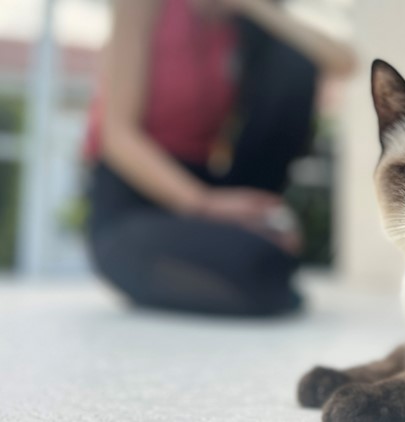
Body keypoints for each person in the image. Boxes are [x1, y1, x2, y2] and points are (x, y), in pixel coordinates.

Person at [84, 0, 356, 316]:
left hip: (210, 184)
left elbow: (343, 62)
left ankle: (258, 217)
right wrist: (204, 203)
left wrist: (256, 8)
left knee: (294, 60)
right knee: (258, 270)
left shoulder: (242, 23)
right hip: (134, 202)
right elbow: (116, 136)